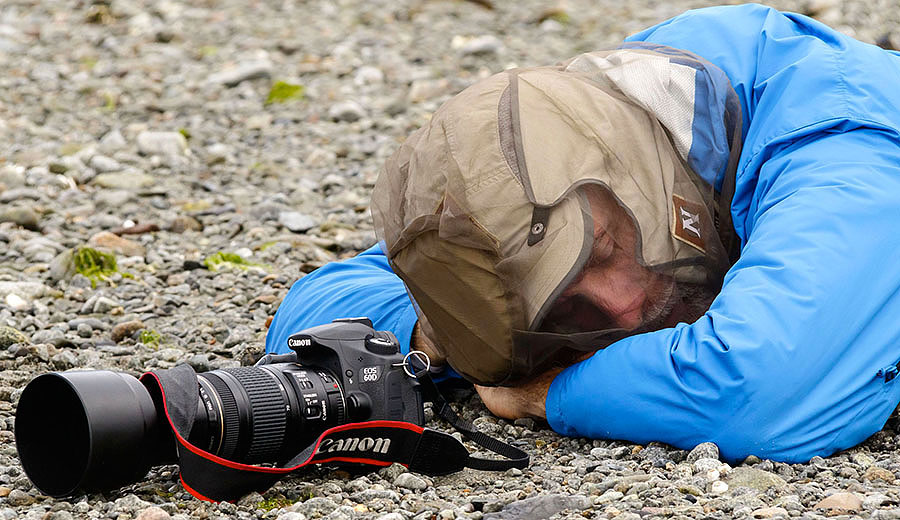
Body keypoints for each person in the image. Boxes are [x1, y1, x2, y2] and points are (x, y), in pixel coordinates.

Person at [266, 3, 900, 463]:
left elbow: (756, 391)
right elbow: (316, 306)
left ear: (626, 167)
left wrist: (539, 389)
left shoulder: (844, 144)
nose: (622, 306)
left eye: (608, 248)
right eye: (576, 301)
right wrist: (458, 329)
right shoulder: (576, 128)